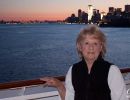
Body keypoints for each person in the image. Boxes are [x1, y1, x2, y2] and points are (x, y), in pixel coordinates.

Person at [40, 25, 128, 100]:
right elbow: (70, 98)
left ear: (101, 47)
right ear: (80, 47)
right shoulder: (73, 70)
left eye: (95, 43)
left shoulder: (112, 71)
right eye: (86, 43)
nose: (91, 47)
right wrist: (59, 85)